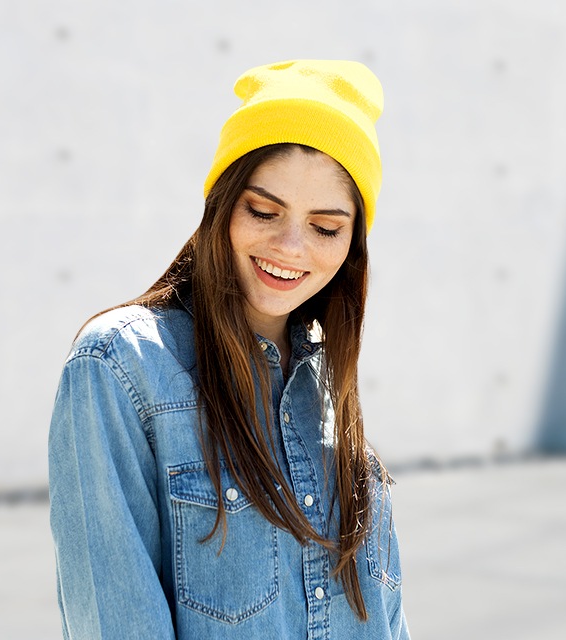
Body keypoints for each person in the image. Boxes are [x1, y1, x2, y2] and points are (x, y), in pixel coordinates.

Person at [48, 59, 409, 639]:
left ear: (351, 246)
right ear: (221, 206)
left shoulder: (329, 392)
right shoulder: (121, 366)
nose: (290, 246)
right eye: (263, 211)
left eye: (325, 227)